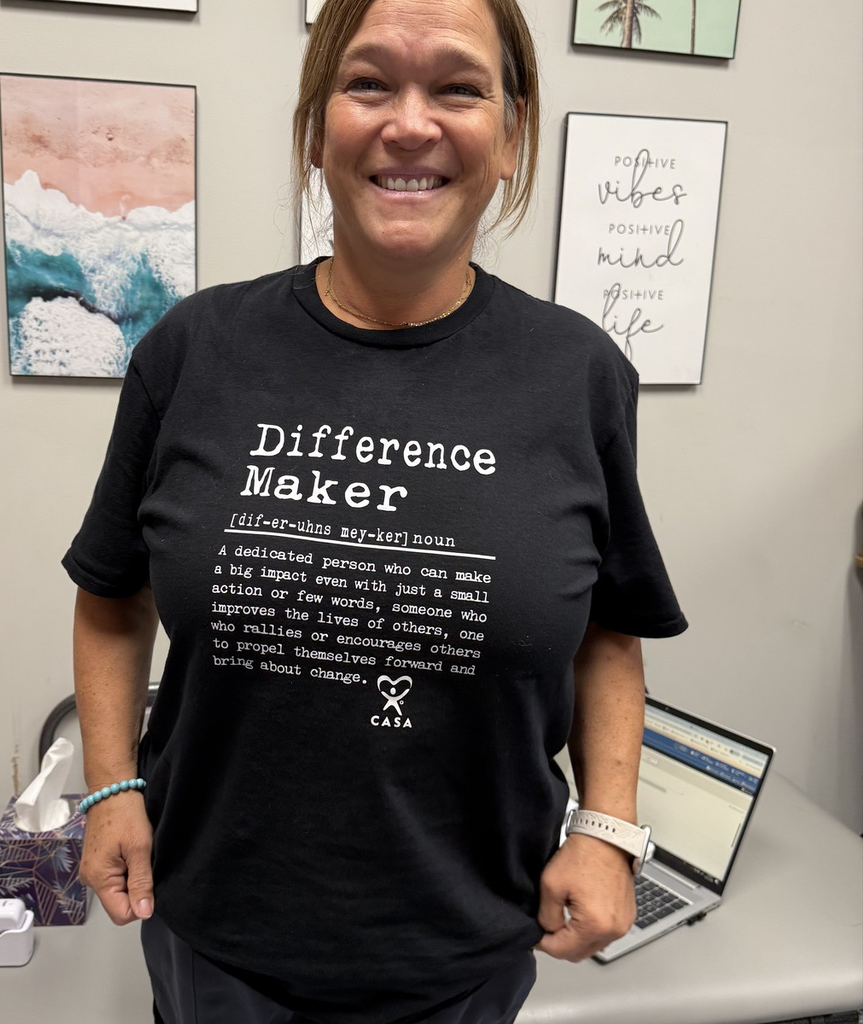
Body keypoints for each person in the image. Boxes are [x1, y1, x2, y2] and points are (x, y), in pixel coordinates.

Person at [63, 0, 688, 1021]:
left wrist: (607, 826)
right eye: (367, 84)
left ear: (510, 133)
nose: (409, 124)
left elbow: (609, 628)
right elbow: (109, 594)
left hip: (465, 949)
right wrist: (109, 788)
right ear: (317, 128)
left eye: (456, 86)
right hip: (217, 940)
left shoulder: (576, 375)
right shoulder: (193, 350)